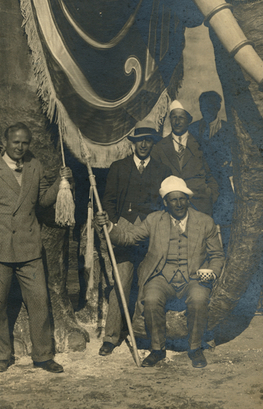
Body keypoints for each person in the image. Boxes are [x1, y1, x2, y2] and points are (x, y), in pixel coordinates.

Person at [0, 122, 71, 374]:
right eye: (15, 142)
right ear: (4, 142)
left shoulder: (34, 167)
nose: (20, 147)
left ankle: (43, 356)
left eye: (25, 142)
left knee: (39, 302)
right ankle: (1, 355)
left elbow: (42, 202)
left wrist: (61, 182)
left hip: (29, 249)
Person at [96, 175, 225, 368]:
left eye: (182, 199)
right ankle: (157, 349)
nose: (179, 204)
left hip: (193, 277)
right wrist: (109, 226)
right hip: (161, 276)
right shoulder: (154, 220)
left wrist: (211, 272)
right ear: (165, 202)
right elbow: (129, 237)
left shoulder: (204, 222)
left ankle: (195, 348)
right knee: (151, 298)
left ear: (188, 200)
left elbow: (217, 254)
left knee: (199, 299)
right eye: (174, 200)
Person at [98, 125, 171, 356]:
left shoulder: (162, 170)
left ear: (153, 143)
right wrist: (114, 225)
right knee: (121, 281)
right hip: (124, 228)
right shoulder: (119, 167)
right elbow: (108, 200)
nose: (143, 145)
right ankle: (111, 337)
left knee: (148, 283)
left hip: (151, 231)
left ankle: (143, 336)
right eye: (139, 140)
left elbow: (165, 204)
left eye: (148, 140)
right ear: (133, 142)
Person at [152, 100, 219, 216]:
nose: (177, 122)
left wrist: (209, 196)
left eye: (181, 118)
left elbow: (213, 176)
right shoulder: (158, 148)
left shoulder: (202, 144)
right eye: (174, 117)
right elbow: (154, 180)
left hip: (201, 206)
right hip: (171, 209)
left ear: (188, 120)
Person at [188, 91, 234, 245]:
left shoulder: (230, 130)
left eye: (210, 106)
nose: (206, 109)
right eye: (203, 106)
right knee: (200, 226)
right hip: (200, 185)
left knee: (226, 223)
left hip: (223, 186)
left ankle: (227, 259)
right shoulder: (192, 129)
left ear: (218, 107)